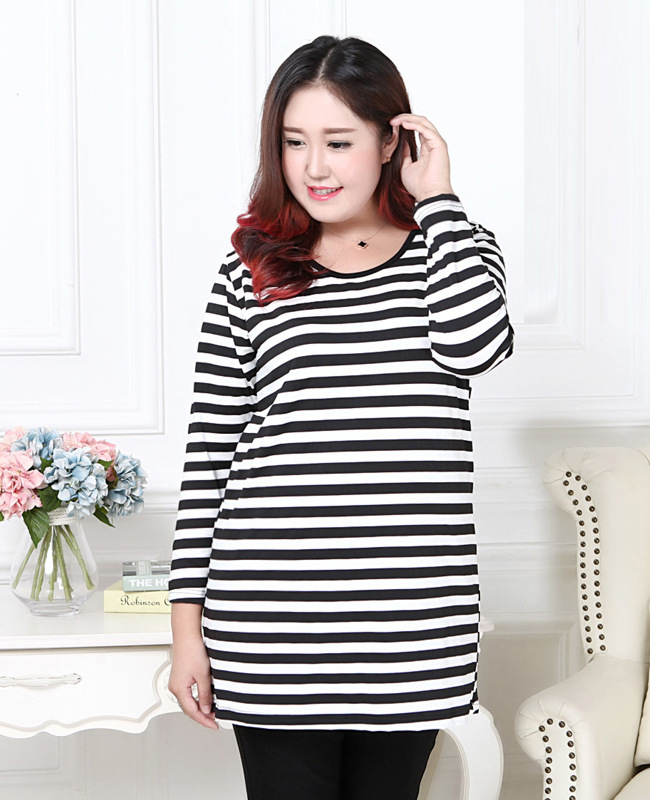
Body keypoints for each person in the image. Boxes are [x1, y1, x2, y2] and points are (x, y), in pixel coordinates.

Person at [168, 34, 513, 800]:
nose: (314, 167)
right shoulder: (252, 268)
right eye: (294, 142)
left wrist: (440, 202)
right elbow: (210, 456)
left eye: (338, 141)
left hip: (412, 626)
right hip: (273, 622)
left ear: (392, 141)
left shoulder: (453, 249)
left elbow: (477, 346)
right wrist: (187, 630)